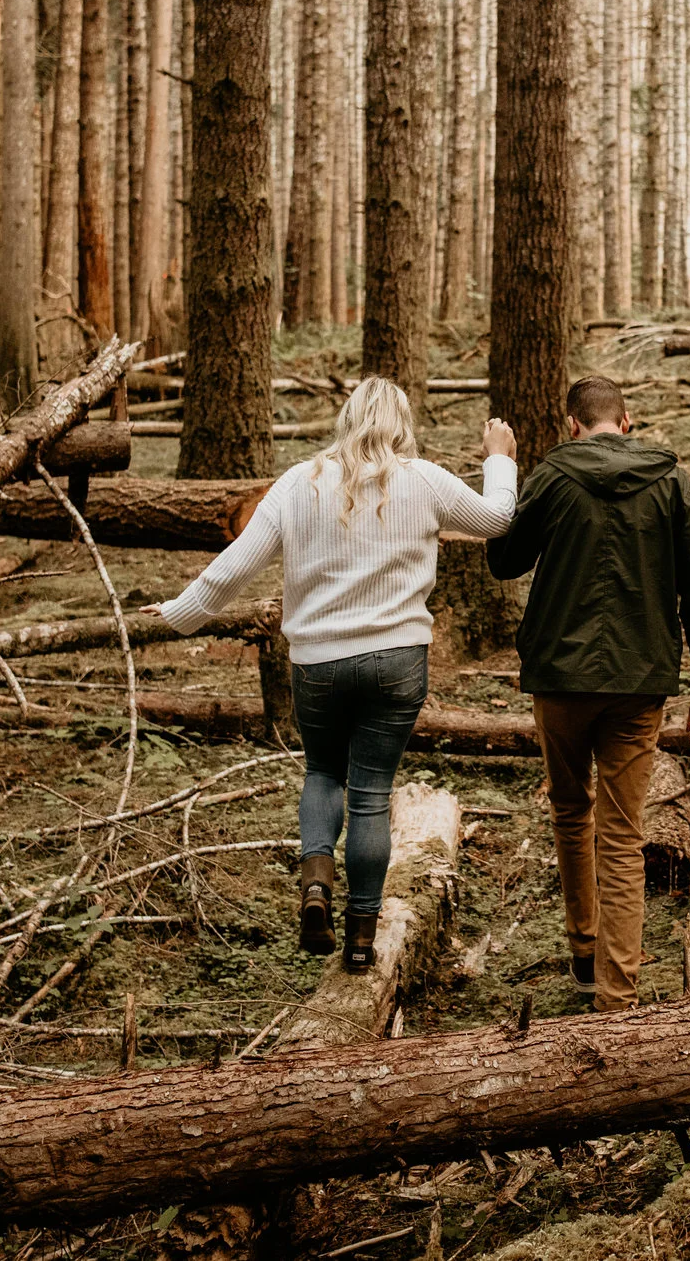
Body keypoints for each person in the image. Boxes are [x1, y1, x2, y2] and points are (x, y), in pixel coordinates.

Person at [153, 379, 517, 970]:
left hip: (317, 662)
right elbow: (499, 519)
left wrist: (181, 613)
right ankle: (360, 940)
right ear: (401, 424)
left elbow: (236, 566)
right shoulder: (422, 479)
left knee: (323, 772)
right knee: (371, 796)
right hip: (398, 662)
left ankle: (317, 887)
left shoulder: (300, 481)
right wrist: (499, 460)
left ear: (347, 420)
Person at [486, 374, 690, 1011]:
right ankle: (617, 999)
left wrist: (500, 471)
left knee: (571, 812)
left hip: (560, 679)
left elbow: (504, 560)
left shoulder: (552, 476)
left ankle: (585, 956)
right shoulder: (671, 481)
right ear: (627, 422)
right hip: (639, 680)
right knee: (622, 836)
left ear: (572, 426)